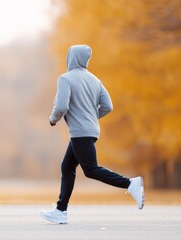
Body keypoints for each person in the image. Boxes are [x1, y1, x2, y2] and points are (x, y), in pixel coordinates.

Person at [40, 44, 144, 224]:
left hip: (80, 132)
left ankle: (130, 183)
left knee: (90, 169)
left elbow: (62, 106)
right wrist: (90, 117)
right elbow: (108, 106)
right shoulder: (95, 80)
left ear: (70, 57)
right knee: (67, 167)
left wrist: (53, 119)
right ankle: (60, 210)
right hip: (90, 130)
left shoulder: (65, 79)